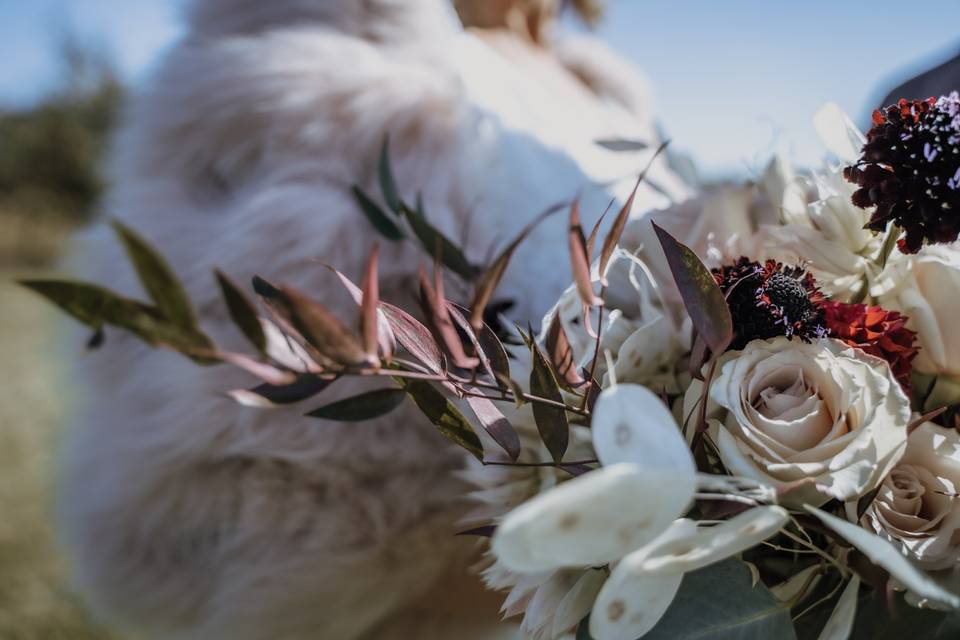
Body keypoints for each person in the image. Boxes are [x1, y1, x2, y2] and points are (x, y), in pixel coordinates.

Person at [61, 1, 690, 638]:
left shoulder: (614, 92)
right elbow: (229, 389)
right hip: (470, 598)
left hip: (684, 572)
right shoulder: (325, 64)